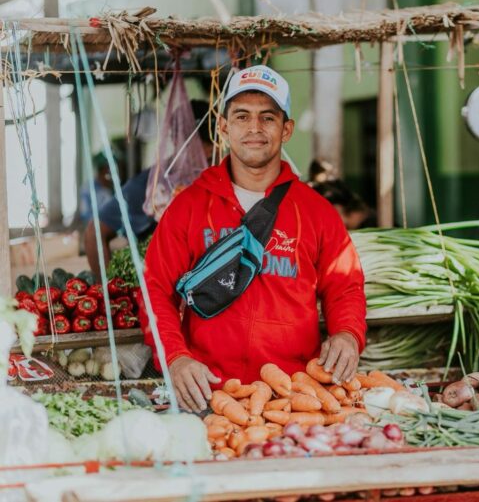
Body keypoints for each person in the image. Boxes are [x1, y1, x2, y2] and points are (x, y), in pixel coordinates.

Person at [143, 65, 367, 412]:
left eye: (268, 117)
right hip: (209, 393)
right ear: (223, 126)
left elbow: (345, 286)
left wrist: (347, 334)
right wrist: (175, 358)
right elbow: (156, 290)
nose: (254, 129)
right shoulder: (188, 207)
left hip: (294, 396)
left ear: (286, 129)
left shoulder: (316, 212)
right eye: (242, 116)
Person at [84, 101, 216, 279]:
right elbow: (95, 233)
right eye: (196, 145)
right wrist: (111, 292)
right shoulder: (151, 184)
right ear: (175, 139)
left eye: (210, 146)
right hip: (160, 292)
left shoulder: (224, 179)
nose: (207, 153)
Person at [78, 153, 115, 224]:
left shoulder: (112, 189)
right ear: (102, 171)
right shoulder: (88, 188)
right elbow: (85, 214)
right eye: (108, 171)